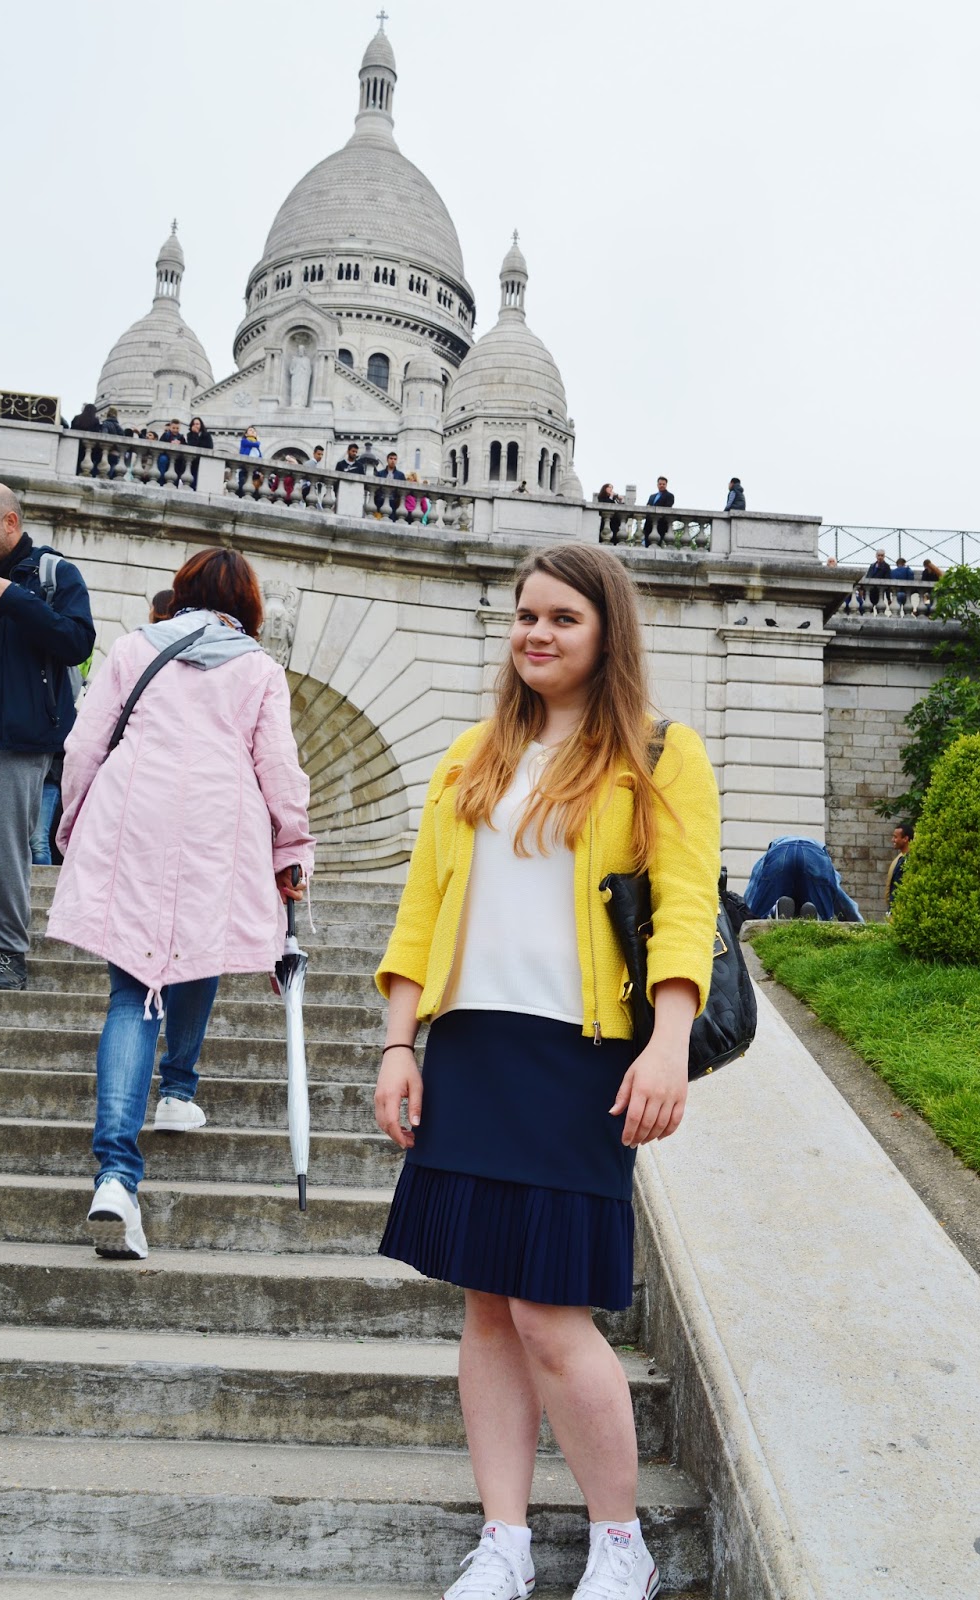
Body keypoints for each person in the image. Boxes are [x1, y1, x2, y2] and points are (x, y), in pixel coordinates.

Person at [373, 542, 720, 1600]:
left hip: (583, 1058)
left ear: (607, 632)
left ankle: (621, 1545)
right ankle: (505, 1543)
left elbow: (685, 909)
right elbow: (422, 909)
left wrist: (669, 1042)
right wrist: (398, 1042)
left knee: (548, 1313)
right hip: (472, 1047)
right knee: (486, 1307)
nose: (536, 632)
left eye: (563, 617)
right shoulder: (469, 755)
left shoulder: (660, 755)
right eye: (526, 614)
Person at [47, 548, 314, 1261]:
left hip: (133, 810)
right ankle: (177, 1089)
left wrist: (73, 823)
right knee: (202, 944)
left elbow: (84, 744)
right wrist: (292, 847)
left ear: (182, 590)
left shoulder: (134, 647)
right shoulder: (259, 669)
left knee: (131, 993)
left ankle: (115, 1175)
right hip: (219, 822)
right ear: (249, 605)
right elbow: (279, 768)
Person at [0, 482, 95, 990]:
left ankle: (8, 954)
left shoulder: (52, 574)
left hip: (11, 734)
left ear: (10, 522)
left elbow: (78, 641)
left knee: (2, 848)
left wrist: (16, 600)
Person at [886, 821, 913, 911]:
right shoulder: (901, 859)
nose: (892, 840)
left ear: (905, 839)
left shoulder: (909, 860)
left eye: (895, 837)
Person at [642, 476, 674, 547]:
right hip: (648, 524)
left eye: (663, 484)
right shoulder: (652, 496)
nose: (661, 485)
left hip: (661, 524)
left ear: (666, 485)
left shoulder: (670, 496)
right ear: (657, 485)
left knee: (657, 545)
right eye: (660, 484)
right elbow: (647, 507)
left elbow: (667, 508)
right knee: (647, 545)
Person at [374, 450, 405, 519]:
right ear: (387, 460)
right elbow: (376, 489)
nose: (393, 461)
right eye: (391, 458)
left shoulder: (400, 475)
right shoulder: (380, 473)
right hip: (380, 501)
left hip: (393, 503)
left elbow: (403, 491)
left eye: (395, 459)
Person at [158, 418, 186, 486]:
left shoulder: (181, 437)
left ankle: (175, 484)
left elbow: (186, 446)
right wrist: (170, 443)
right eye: (173, 428)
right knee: (163, 459)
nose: (175, 430)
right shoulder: (165, 435)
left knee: (179, 465)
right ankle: (161, 481)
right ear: (170, 427)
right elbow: (160, 444)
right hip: (166, 456)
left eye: (177, 428)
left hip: (177, 459)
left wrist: (180, 444)